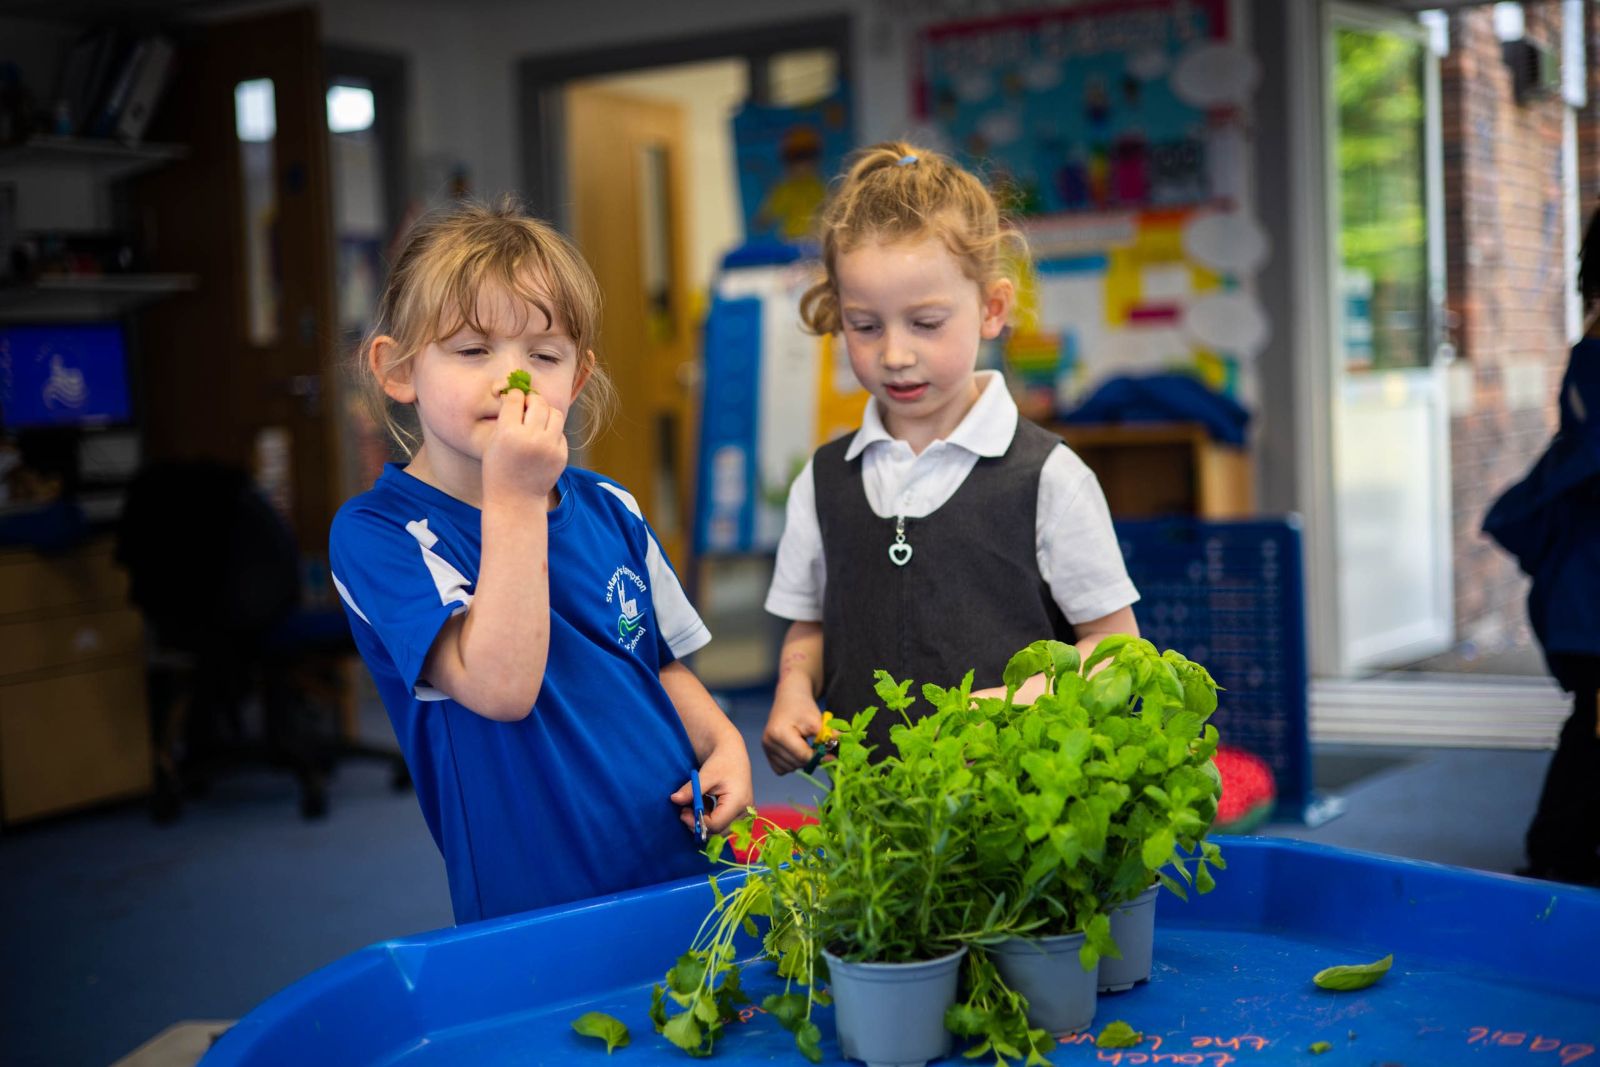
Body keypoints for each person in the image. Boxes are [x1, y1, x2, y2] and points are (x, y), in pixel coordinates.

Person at [330, 198, 752, 923]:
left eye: (544, 356)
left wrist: (725, 741)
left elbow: (657, 661)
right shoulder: (380, 532)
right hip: (538, 904)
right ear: (398, 370)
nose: (513, 379)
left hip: (680, 858)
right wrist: (516, 497)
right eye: (472, 351)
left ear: (577, 380)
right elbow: (500, 685)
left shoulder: (612, 506)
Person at [761, 142, 1140, 773]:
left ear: (992, 309)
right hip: (877, 819)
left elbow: (1115, 650)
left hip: (1019, 813)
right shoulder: (824, 480)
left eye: (926, 323)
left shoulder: (1049, 478)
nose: (896, 354)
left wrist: (1013, 704)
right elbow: (809, 629)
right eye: (866, 325)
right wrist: (793, 691)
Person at [1483, 206, 1600, 889]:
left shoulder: (1590, 350)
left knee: (1591, 721)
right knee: (1592, 721)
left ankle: (1560, 850)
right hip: (1588, 585)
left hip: (1583, 579)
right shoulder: (1594, 357)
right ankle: (1557, 852)